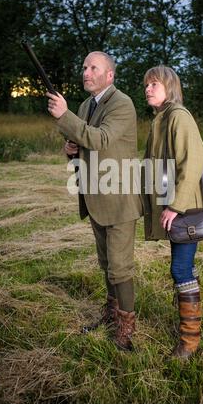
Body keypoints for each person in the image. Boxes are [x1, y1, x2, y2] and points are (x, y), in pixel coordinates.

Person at [47, 51, 142, 351]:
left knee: (120, 267)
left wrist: (63, 116)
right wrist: (70, 149)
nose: (85, 72)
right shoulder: (87, 105)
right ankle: (112, 313)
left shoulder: (122, 104)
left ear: (109, 75)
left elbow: (100, 140)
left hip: (119, 199)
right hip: (95, 197)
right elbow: (86, 143)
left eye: (93, 68)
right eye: (84, 66)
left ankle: (126, 330)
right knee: (106, 263)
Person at [142, 65, 203, 359]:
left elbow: (193, 162)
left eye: (154, 84)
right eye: (146, 85)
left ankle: (189, 342)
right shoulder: (160, 120)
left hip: (186, 210)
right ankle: (192, 326)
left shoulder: (178, 116)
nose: (147, 89)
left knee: (179, 269)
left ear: (170, 88)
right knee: (184, 267)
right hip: (178, 208)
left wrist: (175, 206)